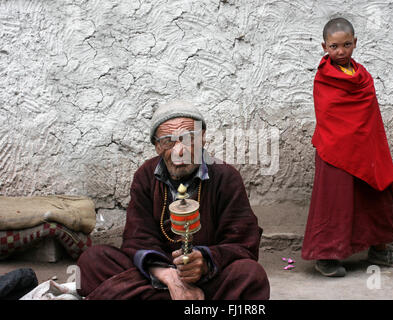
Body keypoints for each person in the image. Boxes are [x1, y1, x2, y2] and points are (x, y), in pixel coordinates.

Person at [76, 100, 270, 299]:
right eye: (169, 141)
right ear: (157, 146)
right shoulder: (145, 175)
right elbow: (138, 238)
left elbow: (242, 243)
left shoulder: (226, 177)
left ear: (203, 138)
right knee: (92, 260)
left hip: (207, 277)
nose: (180, 151)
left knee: (251, 275)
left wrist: (205, 261)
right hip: (157, 276)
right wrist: (169, 277)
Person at [301, 18, 393, 277]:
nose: (341, 52)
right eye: (334, 46)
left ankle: (380, 250)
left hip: (365, 148)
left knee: (376, 196)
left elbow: (369, 115)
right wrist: (346, 139)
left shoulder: (362, 76)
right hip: (335, 150)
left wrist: (369, 145)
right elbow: (329, 113)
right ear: (324, 47)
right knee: (334, 202)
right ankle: (327, 257)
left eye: (347, 45)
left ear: (355, 43)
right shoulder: (324, 78)